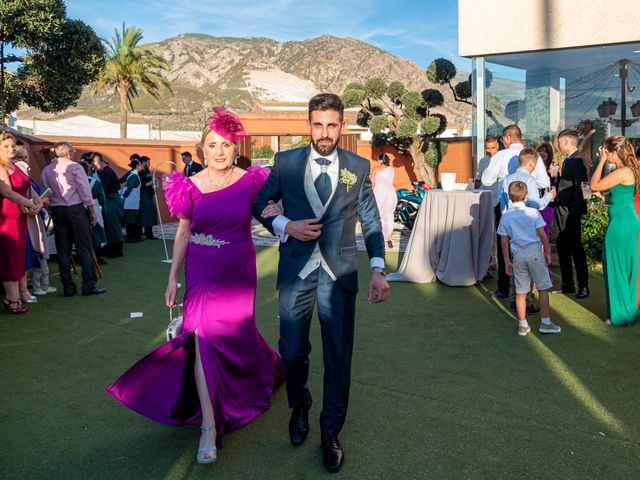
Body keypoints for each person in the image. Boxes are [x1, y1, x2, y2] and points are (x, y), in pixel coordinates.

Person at [106, 106, 284, 465]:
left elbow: (268, 214)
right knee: (202, 336)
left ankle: (263, 372)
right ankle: (209, 426)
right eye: (212, 145)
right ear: (202, 149)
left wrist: (287, 226)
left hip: (239, 269)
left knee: (236, 334)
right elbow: (184, 231)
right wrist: (173, 276)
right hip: (202, 272)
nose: (219, 151)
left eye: (226, 145)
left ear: (236, 148)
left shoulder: (252, 181)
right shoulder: (187, 186)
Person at [252, 93, 390, 473]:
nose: (324, 132)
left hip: (339, 274)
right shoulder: (286, 162)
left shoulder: (359, 167)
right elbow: (260, 202)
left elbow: (373, 222)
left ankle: (330, 432)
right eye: (318, 124)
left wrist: (378, 268)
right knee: (293, 351)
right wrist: (285, 225)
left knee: (338, 357)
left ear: (342, 127)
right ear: (308, 124)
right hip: (296, 270)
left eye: (332, 125)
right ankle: (300, 404)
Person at [481, 125, 550, 300]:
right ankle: (527, 292)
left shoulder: (500, 156)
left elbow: (486, 180)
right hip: (528, 211)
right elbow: (544, 182)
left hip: (507, 210)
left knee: (505, 248)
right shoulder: (533, 156)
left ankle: (504, 290)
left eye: (503, 139)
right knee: (527, 245)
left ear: (507, 138)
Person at [41, 142, 106, 297]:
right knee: (84, 247)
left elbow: (46, 192)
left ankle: (68, 287)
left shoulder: (47, 170)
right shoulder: (75, 167)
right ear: (69, 153)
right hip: (75, 209)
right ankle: (88, 285)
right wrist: (91, 210)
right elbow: (84, 190)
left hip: (58, 210)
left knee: (63, 249)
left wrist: (51, 210)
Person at [498, 181, 559, 336]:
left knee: (520, 292)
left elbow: (503, 241)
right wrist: (547, 251)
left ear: (509, 197)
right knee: (543, 288)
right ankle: (545, 323)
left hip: (517, 255)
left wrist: (506, 261)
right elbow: (542, 234)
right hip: (534, 252)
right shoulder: (533, 212)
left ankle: (522, 325)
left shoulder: (505, 216)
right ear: (526, 196)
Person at [590, 135, 640, 325]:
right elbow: (618, 198)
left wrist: (601, 161)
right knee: (621, 266)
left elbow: (594, 184)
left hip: (622, 224)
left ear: (614, 151)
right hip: (623, 221)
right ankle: (625, 312)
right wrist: (604, 198)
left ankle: (621, 315)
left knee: (616, 266)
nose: (603, 153)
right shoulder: (624, 170)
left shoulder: (623, 171)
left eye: (605, 150)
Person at [0, 132, 42, 314]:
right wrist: (30, 203)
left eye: (12, 146)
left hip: (22, 218)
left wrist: (38, 202)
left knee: (18, 258)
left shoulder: (16, 165)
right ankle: (11, 299)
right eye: (6, 146)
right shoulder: (1, 167)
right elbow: (7, 192)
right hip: (7, 219)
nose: (10, 149)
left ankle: (16, 296)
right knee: (10, 259)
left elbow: (29, 187)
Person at [552, 128, 589, 298]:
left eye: (559, 142)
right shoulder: (567, 160)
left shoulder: (578, 160)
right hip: (562, 208)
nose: (557, 145)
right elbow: (565, 185)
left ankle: (583, 286)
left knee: (576, 248)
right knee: (562, 247)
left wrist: (576, 210)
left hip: (571, 211)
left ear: (566, 142)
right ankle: (567, 284)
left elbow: (582, 186)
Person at [13, 146, 50, 302]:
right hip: (18, 218)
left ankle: (24, 290)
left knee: (29, 255)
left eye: (26, 157)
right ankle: (19, 293)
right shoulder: (11, 172)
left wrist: (38, 204)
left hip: (31, 218)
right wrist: (34, 204)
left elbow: (35, 196)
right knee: (21, 257)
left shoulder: (26, 175)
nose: (24, 161)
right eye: (21, 157)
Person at [89, 152, 124, 257]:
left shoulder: (106, 172)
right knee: (111, 226)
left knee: (114, 226)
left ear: (97, 162)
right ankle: (113, 249)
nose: (93, 167)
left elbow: (105, 190)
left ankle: (116, 251)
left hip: (112, 201)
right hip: (110, 201)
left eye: (93, 164)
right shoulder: (105, 171)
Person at [80, 160, 108, 265]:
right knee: (97, 233)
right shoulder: (95, 182)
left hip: (80, 209)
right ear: (87, 171)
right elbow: (102, 198)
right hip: (94, 208)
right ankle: (99, 257)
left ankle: (85, 258)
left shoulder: (75, 182)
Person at [372, 153, 396, 248]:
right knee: (389, 214)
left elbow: (373, 184)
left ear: (381, 160)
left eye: (378, 159)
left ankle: (381, 237)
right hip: (390, 193)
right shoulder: (391, 169)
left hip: (379, 193)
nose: (378, 161)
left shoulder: (376, 169)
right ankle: (389, 237)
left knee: (379, 215)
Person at [535, 141, 556, 240]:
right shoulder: (533, 168)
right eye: (540, 151)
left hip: (548, 204)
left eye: (545, 152)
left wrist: (554, 176)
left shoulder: (553, 168)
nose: (542, 153)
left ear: (549, 155)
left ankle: (544, 253)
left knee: (545, 230)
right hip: (536, 203)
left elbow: (556, 186)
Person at [137, 155, 158, 240]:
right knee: (143, 214)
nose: (149, 164)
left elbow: (149, 180)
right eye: (148, 162)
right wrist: (150, 183)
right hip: (143, 196)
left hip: (149, 194)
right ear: (144, 162)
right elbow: (139, 185)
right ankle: (140, 233)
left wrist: (154, 182)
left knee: (151, 214)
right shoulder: (139, 172)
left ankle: (149, 232)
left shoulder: (147, 170)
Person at [122, 159, 143, 243]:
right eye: (140, 165)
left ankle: (132, 236)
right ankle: (131, 237)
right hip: (131, 201)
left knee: (132, 219)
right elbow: (129, 188)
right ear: (137, 166)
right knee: (131, 220)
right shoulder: (134, 176)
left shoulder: (133, 175)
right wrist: (124, 196)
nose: (141, 166)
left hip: (132, 201)